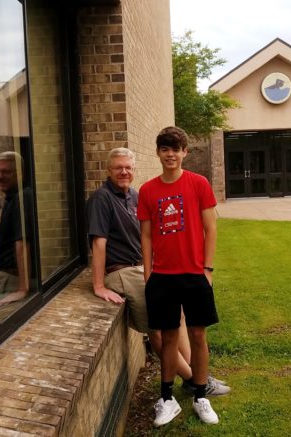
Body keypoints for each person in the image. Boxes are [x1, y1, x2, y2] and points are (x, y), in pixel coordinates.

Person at [86, 148, 229, 400]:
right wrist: (98, 285)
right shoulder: (101, 198)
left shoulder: (134, 196)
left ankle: (198, 375)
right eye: (118, 167)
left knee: (179, 319)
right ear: (108, 170)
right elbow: (99, 243)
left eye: (128, 167)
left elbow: (148, 235)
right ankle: (196, 383)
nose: (124, 172)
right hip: (121, 270)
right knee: (159, 327)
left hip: (141, 266)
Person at [137, 126, 221, 426]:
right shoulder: (147, 190)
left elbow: (211, 228)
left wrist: (207, 269)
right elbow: (146, 236)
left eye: (176, 149)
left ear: (185, 152)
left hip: (195, 274)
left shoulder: (198, 184)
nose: (170, 154)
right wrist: (148, 274)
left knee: (198, 334)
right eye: (165, 148)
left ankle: (200, 396)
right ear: (158, 152)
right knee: (169, 336)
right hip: (162, 276)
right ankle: (167, 399)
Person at [0, 151, 32, 306]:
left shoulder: (23, 198)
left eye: (6, 172)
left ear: (20, 174)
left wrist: (23, 288)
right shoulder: (13, 198)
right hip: (3, 278)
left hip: (10, 282)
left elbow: (22, 243)